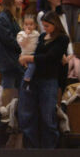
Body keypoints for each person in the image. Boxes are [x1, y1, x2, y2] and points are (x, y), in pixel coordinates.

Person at [18, 10, 70, 148]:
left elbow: (50, 58)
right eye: (43, 25)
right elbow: (38, 54)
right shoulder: (42, 36)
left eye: (47, 26)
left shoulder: (62, 38)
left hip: (49, 79)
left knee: (48, 116)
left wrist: (28, 58)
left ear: (55, 24)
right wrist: (27, 57)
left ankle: (49, 149)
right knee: (28, 114)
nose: (45, 28)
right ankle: (32, 148)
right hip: (34, 78)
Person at [0, 0, 24, 89]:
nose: (21, 0)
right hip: (8, 61)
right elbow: (8, 39)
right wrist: (23, 48)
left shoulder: (14, 16)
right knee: (8, 92)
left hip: (16, 60)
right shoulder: (2, 17)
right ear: (10, 0)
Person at [17, 13, 40, 82]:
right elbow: (21, 43)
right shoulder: (21, 34)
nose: (28, 26)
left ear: (35, 25)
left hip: (33, 54)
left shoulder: (36, 34)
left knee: (32, 66)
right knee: (24, 68)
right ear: (23, 25)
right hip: (24, 54)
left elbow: (38, 43)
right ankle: (26, 78)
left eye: (31, 24)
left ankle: (27, 78)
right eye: (26, 24)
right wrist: (26, 35)